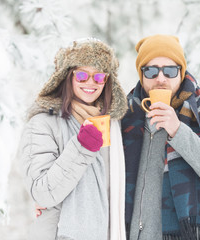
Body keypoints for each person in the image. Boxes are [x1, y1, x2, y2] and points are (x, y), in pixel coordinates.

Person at [121, 34, 200, 240]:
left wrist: (178, 131)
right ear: (141, 74)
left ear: (181, 72)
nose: (161, 78)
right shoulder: (125, 115)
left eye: (170, 70)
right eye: (151, 70)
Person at [18, 38, 128, 240]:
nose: (90, 82)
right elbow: (42, 192)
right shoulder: (43, 124)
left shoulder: (114, 128)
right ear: (67, 78)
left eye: (99, 77)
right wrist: (82, 148)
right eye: (82, 75)